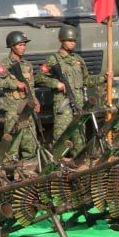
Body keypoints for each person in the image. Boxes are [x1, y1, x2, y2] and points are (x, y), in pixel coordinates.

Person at [36, 24, 101, 156]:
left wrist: (103, 79)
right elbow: (38, 77)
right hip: (63, 103)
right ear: (62, 40)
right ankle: (55, 162)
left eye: (74, 41)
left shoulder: (78, 60)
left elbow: (86, 80)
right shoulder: (53, 59)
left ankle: (78, 160)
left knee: (79, 134)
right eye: (69, 40)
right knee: (61, 134)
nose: (72, 43)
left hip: (78, 103)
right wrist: (55, 83)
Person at [0, 31, 41, 163]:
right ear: (12, 46)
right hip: (13, 111)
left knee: (30, 145)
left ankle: (30, 174)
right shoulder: (5, 64)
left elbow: (30, 87)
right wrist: (14, 84)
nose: (23, 48)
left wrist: (35, 101)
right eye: (20, 45)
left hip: (27, 109)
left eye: (24, 45)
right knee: (12, 146)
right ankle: (11, 176)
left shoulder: (27, 65)